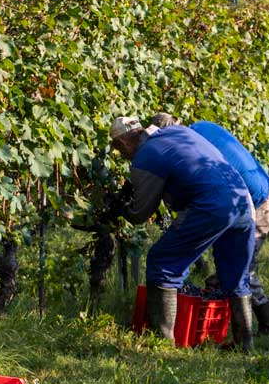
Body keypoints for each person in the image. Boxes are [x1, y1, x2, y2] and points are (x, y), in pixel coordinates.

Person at [109, 116, 257, 351]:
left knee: (163, 262)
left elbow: (139, 213)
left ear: (124, 143)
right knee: (235, 273)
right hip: (243, 202)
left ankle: (162, 343)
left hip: (212, 204)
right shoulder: (178, 133)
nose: (121, 154)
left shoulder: (145, 156)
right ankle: (244, 344)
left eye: (117, 149)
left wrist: (120, 207)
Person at [149, 113, 269, 335]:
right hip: (250, 194)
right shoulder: (202, 127)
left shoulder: (190, 144)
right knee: (233, 268)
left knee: (240, 269)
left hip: (255, 202)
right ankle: (241, 330)